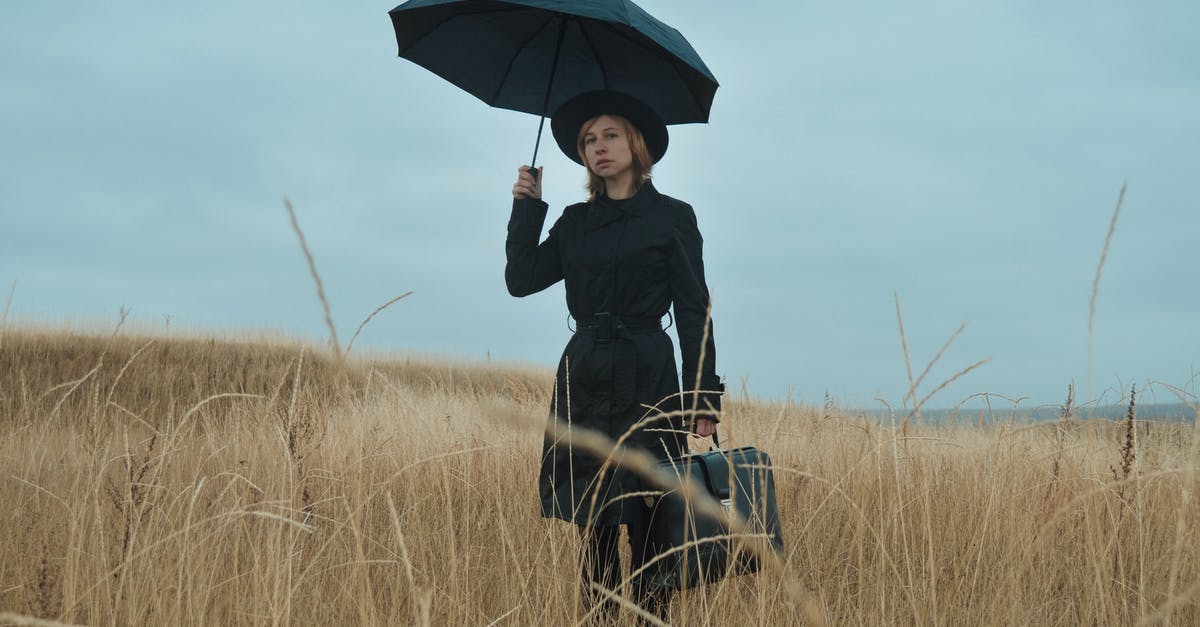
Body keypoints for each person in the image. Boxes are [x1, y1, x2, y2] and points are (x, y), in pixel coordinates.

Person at [505, 90, 724, 621]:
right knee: (595, 524)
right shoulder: (576, 222)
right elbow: (521, 279)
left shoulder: (673, 218)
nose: (597, 147)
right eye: (587, 140)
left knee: (653, 523)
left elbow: (695, 309)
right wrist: (527, 206)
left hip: (650, 374)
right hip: (584, 376)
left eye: (610, 135)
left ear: (636, 143)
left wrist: (702, 397)